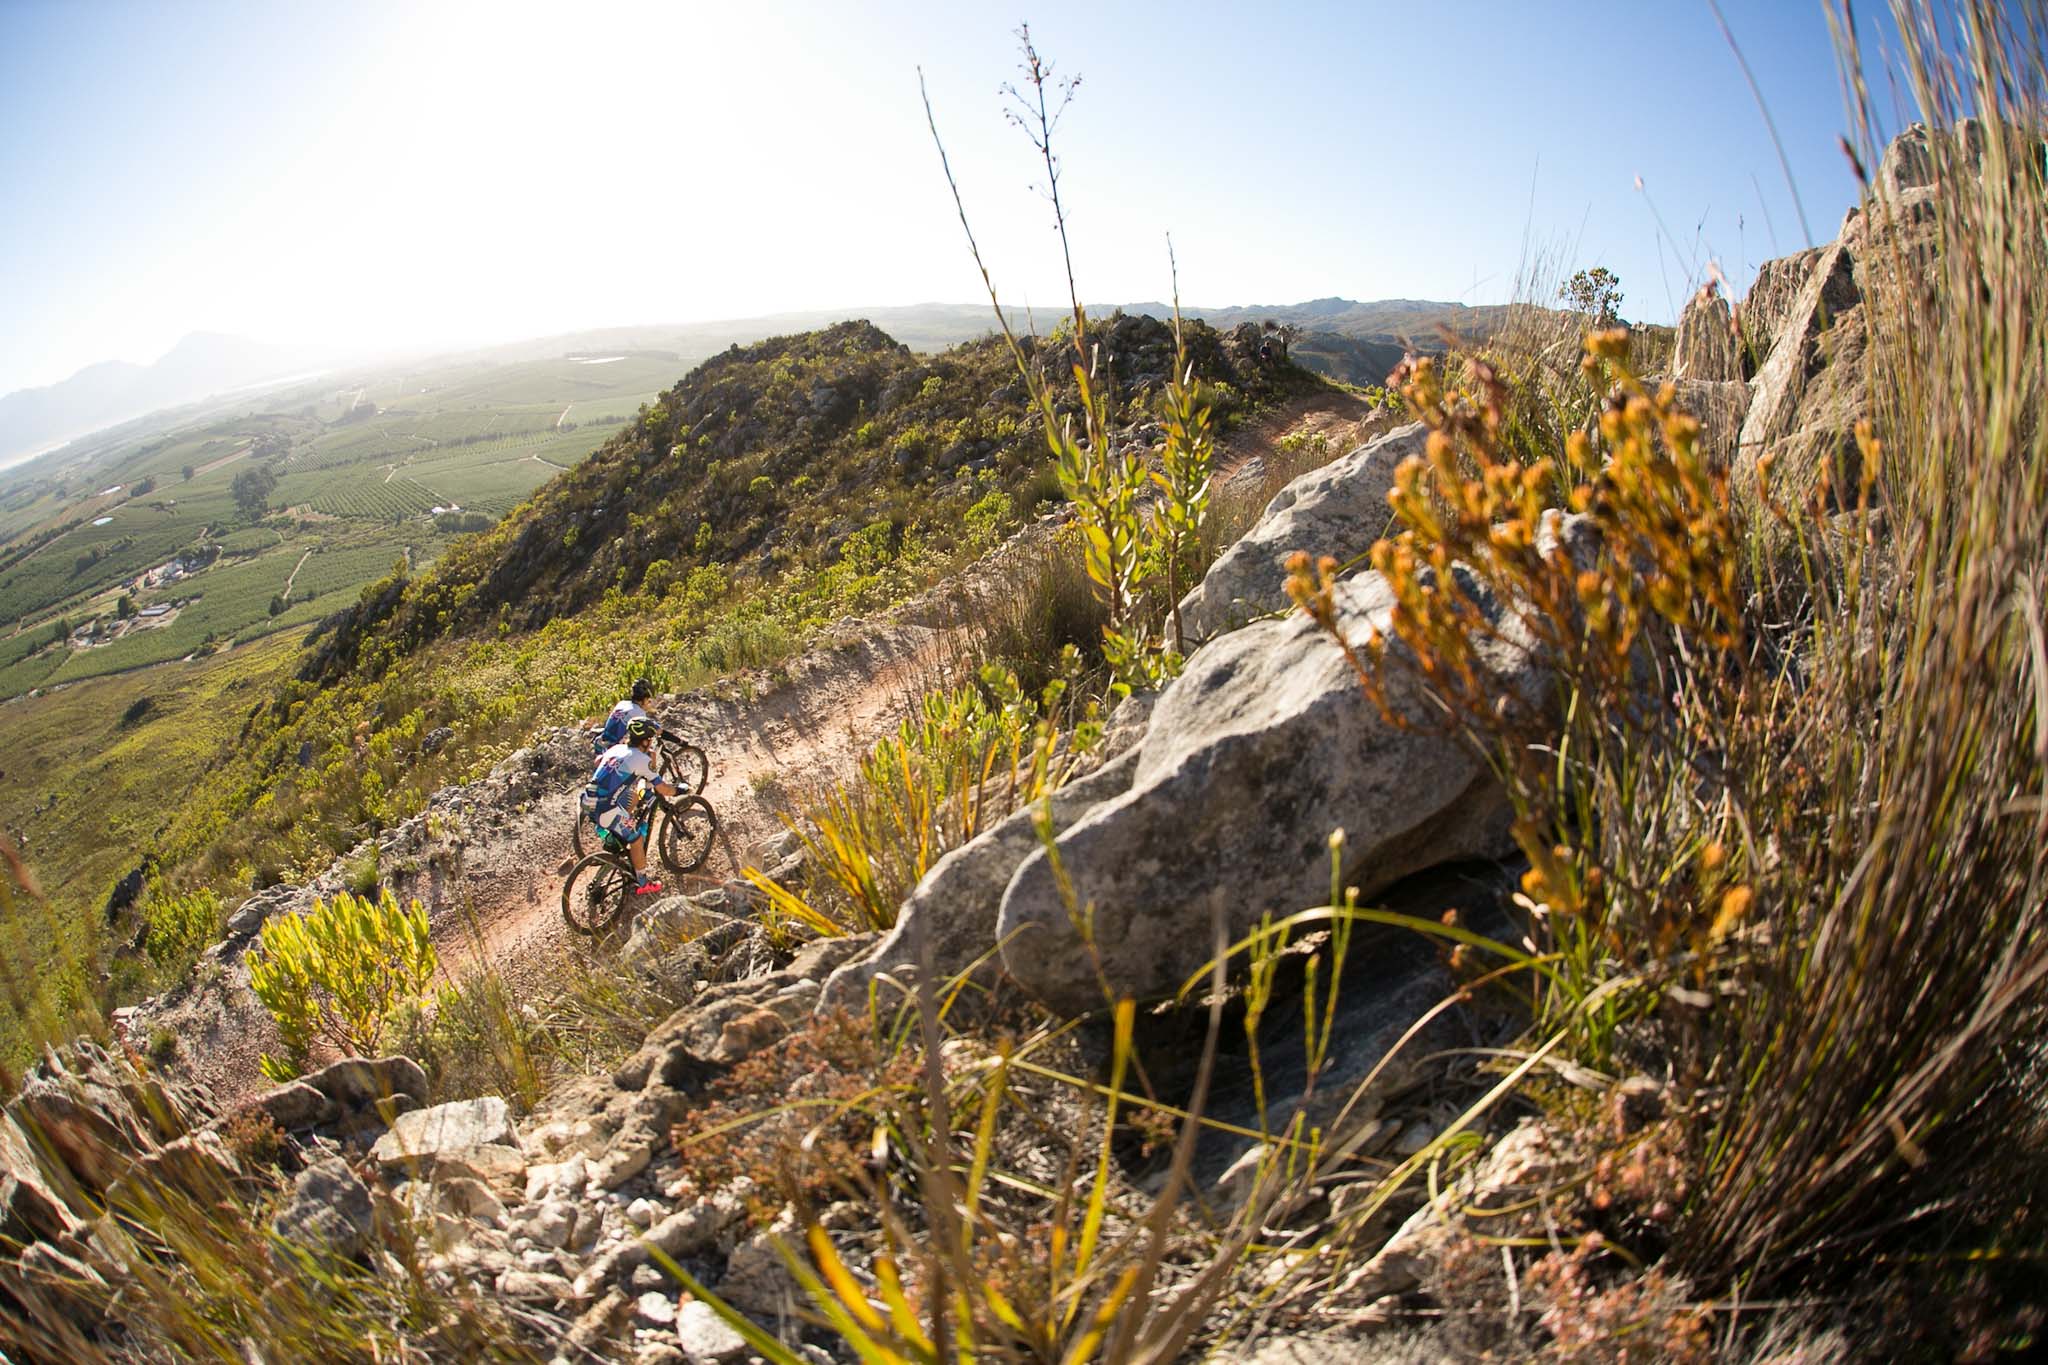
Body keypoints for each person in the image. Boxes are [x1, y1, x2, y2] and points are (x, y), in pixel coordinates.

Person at [583, 716, 680, 895]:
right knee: (636, 839)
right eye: (649, 740)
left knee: (632, 801)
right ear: (644, 741)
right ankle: (643, 883)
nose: (650, 744)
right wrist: (680, 790)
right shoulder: (641, 760)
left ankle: (614, 844)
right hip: (607, 810)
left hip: (588, 801)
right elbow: (663, 789)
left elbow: (598, 762)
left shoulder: (617, 748)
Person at [594, 678, 660, 754]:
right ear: (644, 699)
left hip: (602, 743)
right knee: (646, 752)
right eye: (648, 700)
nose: (649, 703)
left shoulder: (622, 703)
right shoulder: (639, 712)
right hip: (613, 748)